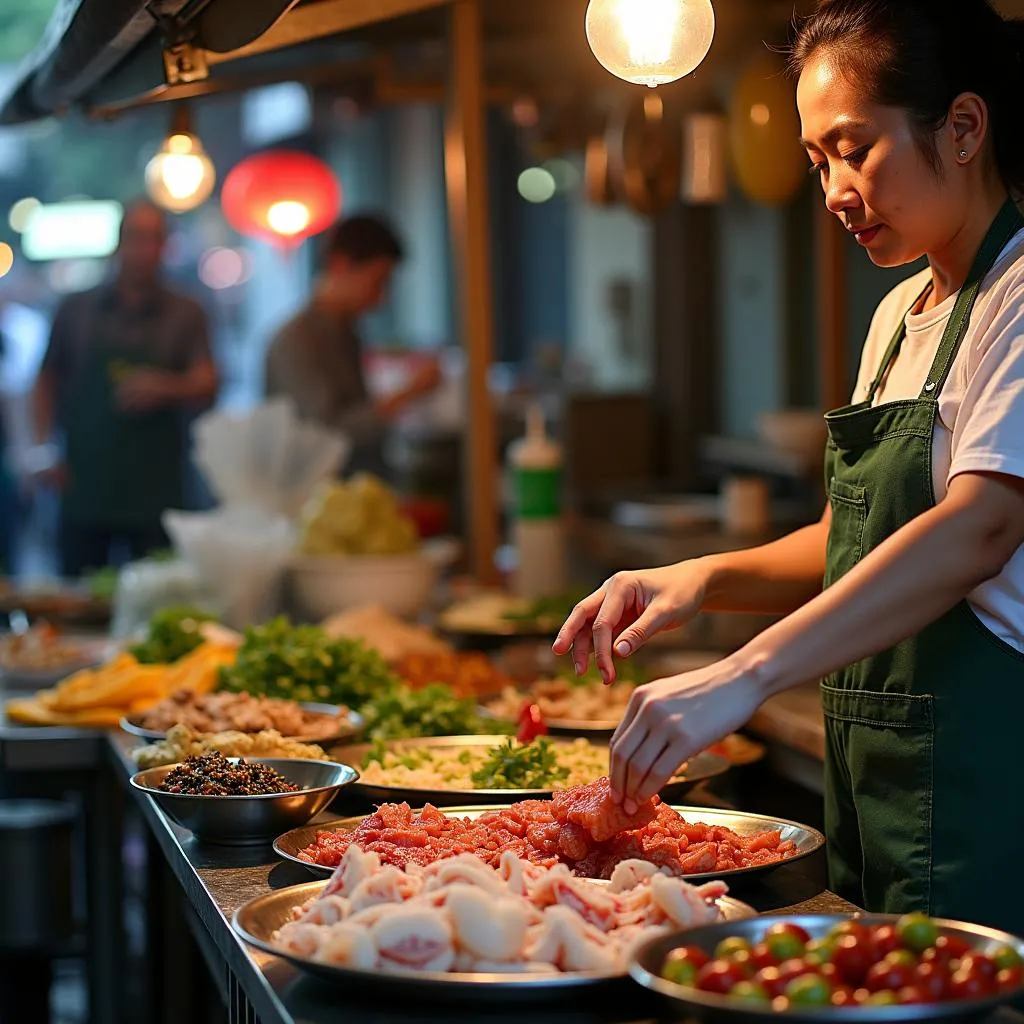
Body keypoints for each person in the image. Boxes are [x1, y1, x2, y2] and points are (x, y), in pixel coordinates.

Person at [555, 0, 1024, 932]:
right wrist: (700, 578)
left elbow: (982, 526)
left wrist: (745, 673)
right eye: (818, 160)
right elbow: (852, 539)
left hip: (987, 771)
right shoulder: (897, 318)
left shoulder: (1017, 298)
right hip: (878, 777)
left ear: (963, 127)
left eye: (856, 148)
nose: (835, 189)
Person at [31, 199, 218, 576]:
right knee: (78, 596)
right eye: (135, 237)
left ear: (165, 247)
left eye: (153, 239)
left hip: (156, 484)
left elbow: (209, 380)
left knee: (157, 591)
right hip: (87, 481)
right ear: (118, 244)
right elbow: (46, 379)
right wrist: (42, 448)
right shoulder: (76, 309)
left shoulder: (186, 311)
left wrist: (166, 386)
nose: (143, 249)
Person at [264, 213, 440, 477]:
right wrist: (408, 392)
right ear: (341, 265)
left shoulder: (347, 332)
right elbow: (326, 430)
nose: (381, 298)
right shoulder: (297, 340)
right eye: (378, 282)